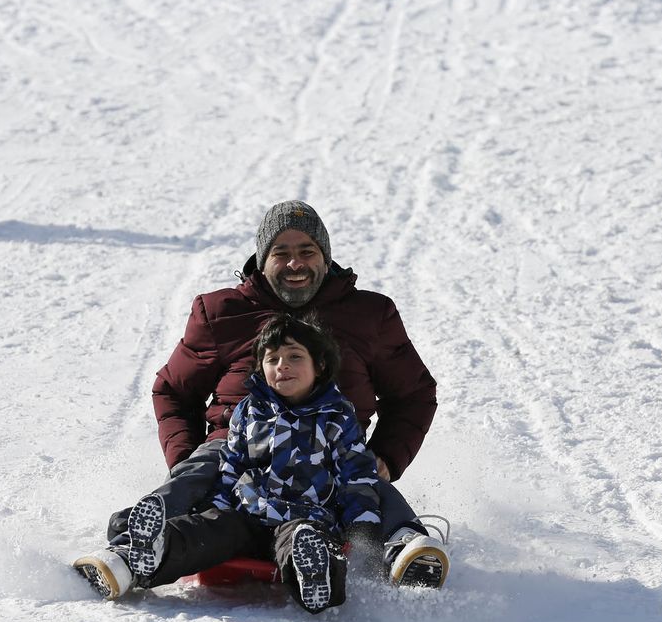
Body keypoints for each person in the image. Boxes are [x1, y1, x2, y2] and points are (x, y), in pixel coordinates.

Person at [106, 200, 448, 587]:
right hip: (237, 449)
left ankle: (404, 548)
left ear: (325, 256)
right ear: (262, 259)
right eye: (280, 253)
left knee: (365, 478)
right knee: (201, 468)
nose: (294, 264)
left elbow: (414, 393)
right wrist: (186, 459)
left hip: (330, 446)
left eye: (307, 251)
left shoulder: (369, 315)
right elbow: (173, 390)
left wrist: (386, 455)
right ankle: (130, 549)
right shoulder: (221, 312)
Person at [74, 314, 397, 612]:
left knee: (305, 538)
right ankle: (138, 558)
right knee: (206, 529)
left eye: (295, 357)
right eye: (272, 359)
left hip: (303, 516)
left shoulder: (337, 416)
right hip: (248, 513)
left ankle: (316, 576)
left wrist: (361, 530)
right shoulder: (249, 411)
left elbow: (357, 476)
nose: (282, 366)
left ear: (321, 366)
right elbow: (232, 467)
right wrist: (208, 507)